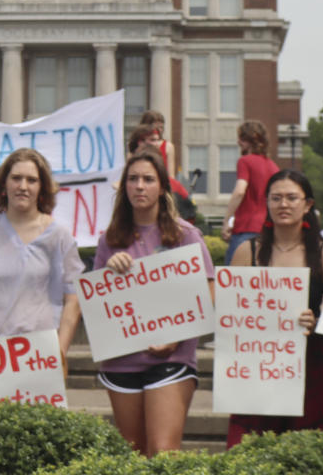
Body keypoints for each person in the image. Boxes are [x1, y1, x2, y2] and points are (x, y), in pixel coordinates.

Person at [94, 147, 215, 456]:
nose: (139, 186)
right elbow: (96, 302)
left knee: (163, 452)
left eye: (148, 179)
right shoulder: (109, 239)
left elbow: (209, 294)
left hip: (171, 361)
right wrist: (111, 270)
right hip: (122, 360)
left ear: (162, 187)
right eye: (133, 179)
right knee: (133, 454)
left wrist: (176, 336)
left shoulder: (184, 235)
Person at [226, 169, 323, 446]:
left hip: (312, 365)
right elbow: (228, 311)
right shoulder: (248, 251)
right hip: (257, 364)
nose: (284, 205)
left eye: (292, 197)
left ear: (308, 204)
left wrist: (317, 321)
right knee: (249, 449)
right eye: (276, 198)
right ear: (266, 202)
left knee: (311, 451)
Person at [0, 148, 83, 358]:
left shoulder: (60, 237)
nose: (23, 186)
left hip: (42, 355)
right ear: (4, 183)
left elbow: (74, 300)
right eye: (16, 178)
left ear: (42, 187)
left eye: (31, 180)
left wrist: (60, 351)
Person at [221, 120, 279, 263]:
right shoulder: (273, 166)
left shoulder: (245, 161)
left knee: (232, 278)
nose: (238, 142)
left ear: (249, 140)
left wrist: (227, 220)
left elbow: (240, 191)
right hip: (267, 229)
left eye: (241, 138)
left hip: (246, 227)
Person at [139, 110, 176, 180]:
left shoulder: (168, 146)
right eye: (156, 127)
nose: (159, 130)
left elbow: (171, 176)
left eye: (161, 127)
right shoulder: (136, 145)